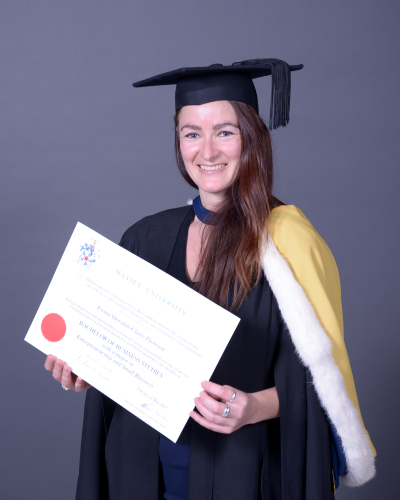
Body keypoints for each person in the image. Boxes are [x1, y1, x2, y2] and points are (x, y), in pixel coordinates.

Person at [44, 59, 376, 499]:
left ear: (252, 138)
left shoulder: (289, 245)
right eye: (191, 134)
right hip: (140, 472)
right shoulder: (145, 237)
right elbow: (126, 356)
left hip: (243, 474)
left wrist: (254, 407)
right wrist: (89, 366)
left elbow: (321, 387)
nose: (207, 151)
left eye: (224, 132)